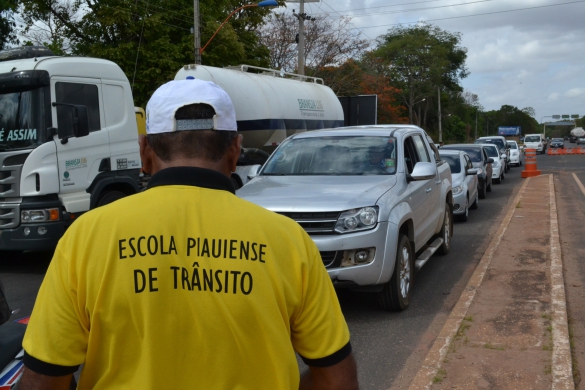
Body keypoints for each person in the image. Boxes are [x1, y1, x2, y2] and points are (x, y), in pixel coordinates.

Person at [18, 79, 358, 390]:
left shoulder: (86, 238)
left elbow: (44, 378)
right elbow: (337, 380)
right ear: (235, 151)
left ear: (145, 153)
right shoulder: (289, 240)